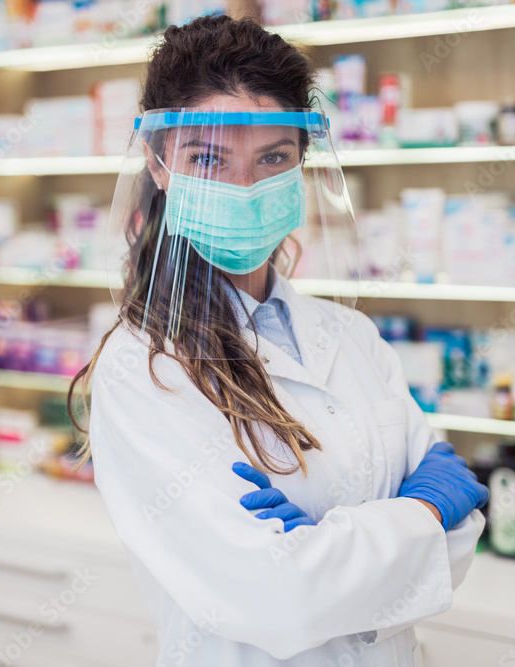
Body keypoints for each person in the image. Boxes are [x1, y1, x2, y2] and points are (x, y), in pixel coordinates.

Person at [68, 13, 488, 667]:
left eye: (272, 158)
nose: (245, 186)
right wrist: (424, 509)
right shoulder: (143, 369)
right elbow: (280, 595)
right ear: (157, 163)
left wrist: (327, 541)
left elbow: (465, 531)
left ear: (301, 162)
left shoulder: (351, 334)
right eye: (208, 158)